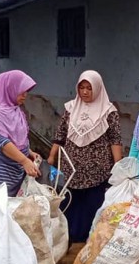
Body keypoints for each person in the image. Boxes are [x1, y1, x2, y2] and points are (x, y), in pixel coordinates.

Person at [48, 70, 123, 243]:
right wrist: (52, 156)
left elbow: (115, 140)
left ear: (97, 88)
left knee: (92, 205)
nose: (85, 92)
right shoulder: (71, 108)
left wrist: (118, 166)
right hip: (72, 170)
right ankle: (70, 238)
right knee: (71, 204)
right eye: (81, 87)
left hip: (97, 171)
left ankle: (90, 240)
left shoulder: (109, 111)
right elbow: (60, 135)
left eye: (89, 88)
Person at [0, 70, 41, 196]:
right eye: (21, 90)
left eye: (26, 91)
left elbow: (19, 138)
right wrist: (24, 161)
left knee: (11, 207)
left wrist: (29, 152)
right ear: (9, 89)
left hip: (14, 169)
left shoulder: (15, 109)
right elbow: (3, 143)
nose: (25, 94)